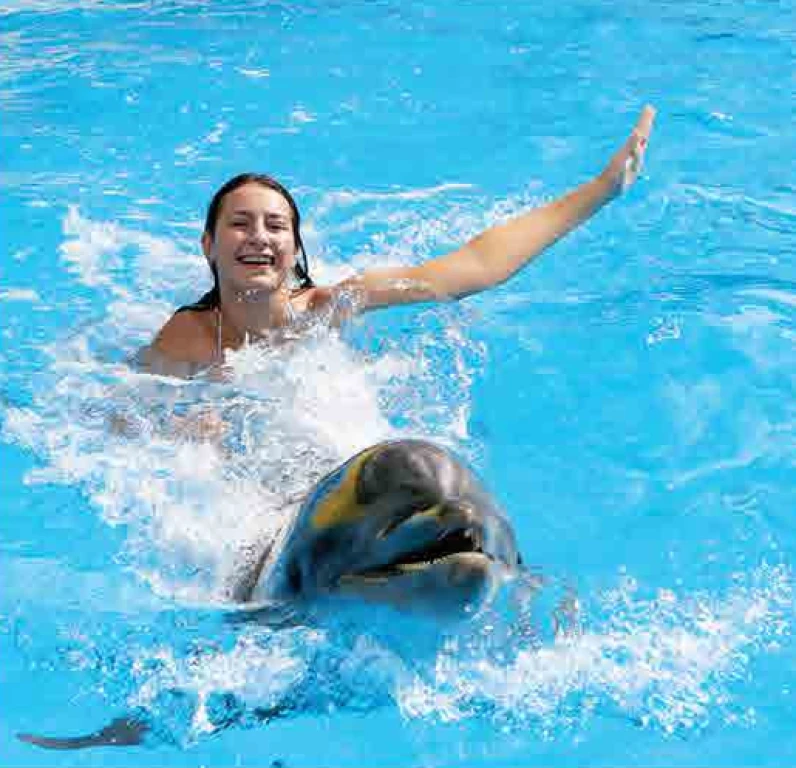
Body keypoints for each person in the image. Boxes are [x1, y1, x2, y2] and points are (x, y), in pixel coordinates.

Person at [140, 106, 655, 379]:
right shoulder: (186, 338)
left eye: (276, 226)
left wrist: (601, 189)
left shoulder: (328, 307)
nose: (259, 237)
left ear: (294, 249)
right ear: (208, 245)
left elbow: (477, 266)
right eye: (240, 224)